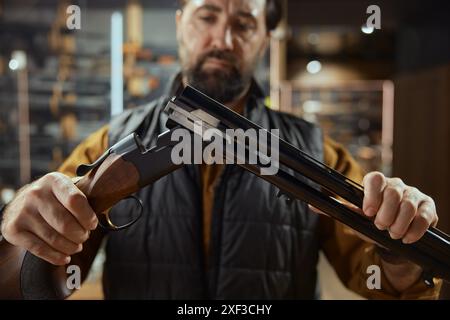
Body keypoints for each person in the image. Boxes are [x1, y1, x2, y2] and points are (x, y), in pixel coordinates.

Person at [0, 0, 442, 299]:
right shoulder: (109, 139)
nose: (223, 39)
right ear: (180, 24)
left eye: (244, 24)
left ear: (265, 37)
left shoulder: (313, 150)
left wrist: (399, 251)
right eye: (207, 16)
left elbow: (383, 282)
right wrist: (24, 221)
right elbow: (36, 269)